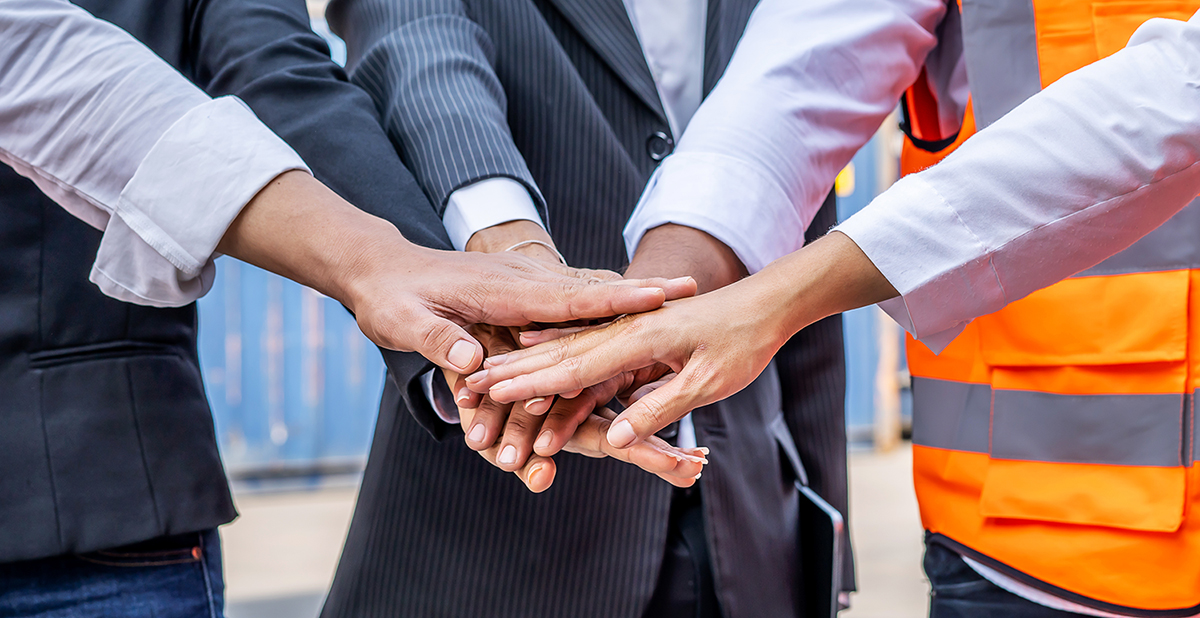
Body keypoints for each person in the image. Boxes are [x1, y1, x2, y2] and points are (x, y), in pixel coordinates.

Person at [470, 5, 1200, 617]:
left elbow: (1178, 92)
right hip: (1036, 524)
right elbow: (809, 65)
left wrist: (781, 296)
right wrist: (648, 304)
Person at [0, 2, 692, 615]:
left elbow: (279, 75)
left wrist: (451, 294)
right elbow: (36, 60)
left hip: (103, 501)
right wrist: (395, 271)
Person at [319, 1, 851, 616]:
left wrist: (830, 538)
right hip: (501, 525)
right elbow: (414, 35)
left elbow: (804, 202)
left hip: (751, 521)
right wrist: (507, 246)